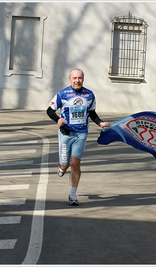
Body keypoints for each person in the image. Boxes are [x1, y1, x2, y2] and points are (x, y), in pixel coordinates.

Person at [46, 68, 110, 206]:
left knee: (75, 163)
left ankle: (72, 195)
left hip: (81, 133)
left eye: (80, 78)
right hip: (66, 133)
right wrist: (58, 120)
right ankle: (62, 167)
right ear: (70, 79)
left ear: (83, 79)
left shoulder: (89, 95)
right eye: (74, 78)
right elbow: (49, 110)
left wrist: (100, 122)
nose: (77, 80)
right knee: (65, 164)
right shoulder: (63, 94)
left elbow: (92, 112)